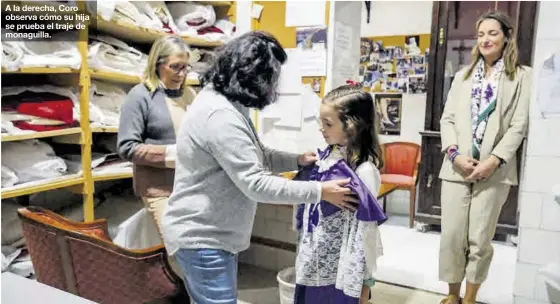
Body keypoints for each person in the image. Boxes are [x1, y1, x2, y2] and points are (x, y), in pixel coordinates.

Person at [160, 31, 358, 304]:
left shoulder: (227, 103)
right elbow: (256, 184)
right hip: (203, 239)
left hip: (210, 235)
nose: (274, 84)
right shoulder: (220, 115)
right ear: (254, 75)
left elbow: (257, 154)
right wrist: (319, 191)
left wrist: (296, 160)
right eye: (273, 76)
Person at [438, 11, 531, 304]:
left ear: (506, 36)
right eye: (481, 34)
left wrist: (494, 160)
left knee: (479, 240)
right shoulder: (463, 76)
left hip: (495, 172)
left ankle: (470, 298)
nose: (485, 39)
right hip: (456, 169)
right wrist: (454, 155)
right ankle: (452, 296)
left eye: (492, 33)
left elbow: (519, 125)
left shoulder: (521, 77)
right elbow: (447, 119)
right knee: (452, 236)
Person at [293, 85, 387, 304]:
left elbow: (365, 234)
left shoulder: (363, 171)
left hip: (339, 275)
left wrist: (365, 282)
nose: (321, 129)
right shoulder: (326, 158)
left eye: (328, 124)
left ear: (352, 127)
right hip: (314, 259)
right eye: (321, 122)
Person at [117, 36, 195, 275]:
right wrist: (173, 154)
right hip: (159, 190)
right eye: (175, 67)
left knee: (194, 249)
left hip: (190, 186)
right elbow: (127, 147)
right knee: (179, 251)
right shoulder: (140, 96)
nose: (181, 74)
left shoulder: (190, 95)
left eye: (185, 67)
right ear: (157, 64)